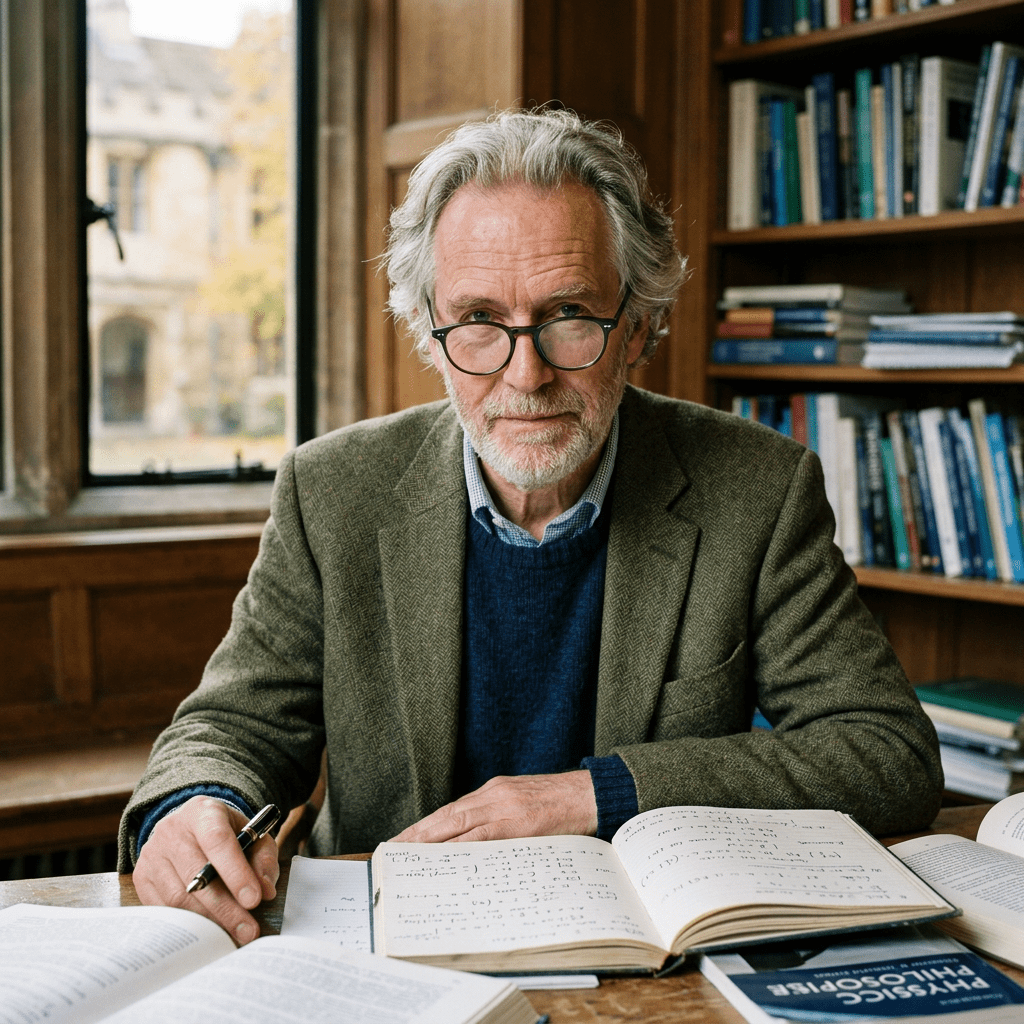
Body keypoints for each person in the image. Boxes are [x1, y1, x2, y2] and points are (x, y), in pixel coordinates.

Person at [118, 108, 943, 946]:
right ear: (430, 334)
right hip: (379, 947)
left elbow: (886, 753)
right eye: (478, 320)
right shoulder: (332, 490)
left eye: (569, 315)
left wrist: (596, 793)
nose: (527, 374)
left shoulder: (756, 488)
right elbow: (231, 728)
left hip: (645, 958)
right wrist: (194, 807)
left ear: (636, 324)